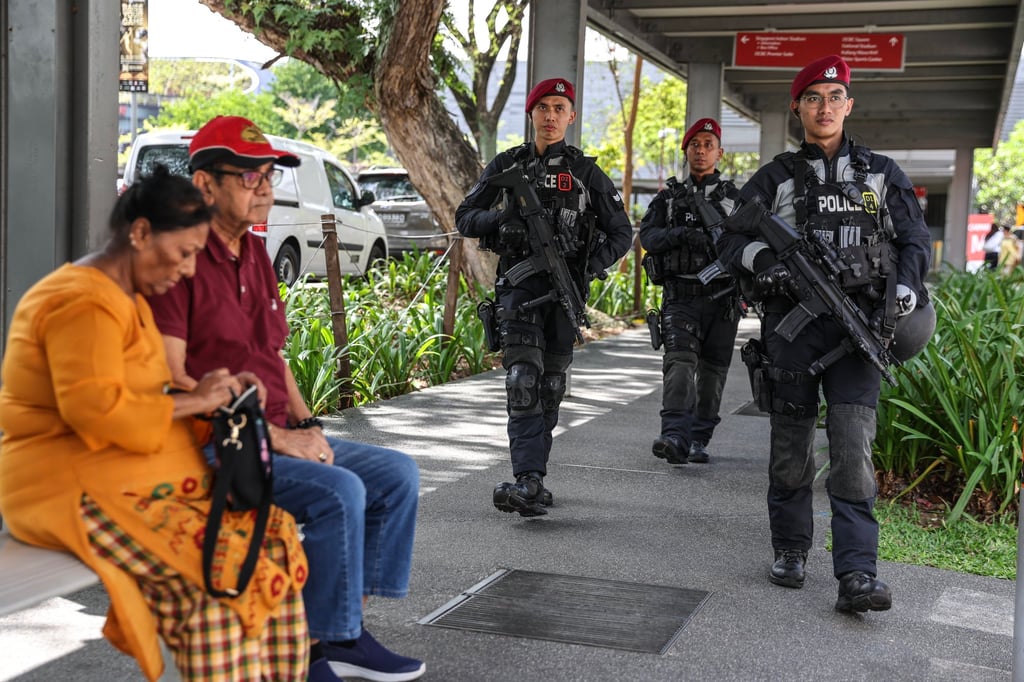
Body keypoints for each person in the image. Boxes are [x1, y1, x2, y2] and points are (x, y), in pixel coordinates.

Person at [0, 166, 310, 681]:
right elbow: (95, 412)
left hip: (127, 475)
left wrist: (212, 394)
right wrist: (198, 400)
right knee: (217, 585)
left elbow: (145, 394)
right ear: (140, 233)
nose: (190, 270)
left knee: (271, 540)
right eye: (185, 253)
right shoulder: (81, 300)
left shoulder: (125, 297)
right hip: (65, 485)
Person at [146, 116, 424, 682]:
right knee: (340, 492)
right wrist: (279, 438)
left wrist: (309, 424)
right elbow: (174, 382)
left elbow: (274, 359)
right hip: (212, 447)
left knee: (396, 474)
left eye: (269, 174)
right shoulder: (179, 261)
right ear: (204, 185)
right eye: (248, 177)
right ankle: (311, 651)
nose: (266, 187)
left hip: (272, 436)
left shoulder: (255, 254)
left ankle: (338, 630)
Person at [717, 55, 931, 612]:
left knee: (853, 450)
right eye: (813, 97)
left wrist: (904, 289)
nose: (825, 106)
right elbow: (730, 241)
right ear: (798, 108)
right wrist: (767, 261)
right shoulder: (777, 176)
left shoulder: (882, 173)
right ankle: (790, 548)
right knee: (790, 446)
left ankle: (857, 573)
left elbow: (914, 240)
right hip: (793, 330)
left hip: (862, 327)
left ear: (849, 105)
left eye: (835, 96)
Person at [455, 78, 633, 517]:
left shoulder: (586, 173)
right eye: (543, 108)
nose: (550, 116)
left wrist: (586, 266)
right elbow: (466, 216)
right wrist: (500, 223)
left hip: (563, 293)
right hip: (518, 288)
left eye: (559, 108)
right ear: (531, 114)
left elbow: (621, 233)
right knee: (522, 382)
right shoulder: (507, 165)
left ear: (571, 117)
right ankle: (526, 478)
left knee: (550, 389)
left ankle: (535, 476)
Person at [639, 117, 742, 465]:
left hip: (722, 300)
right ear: (686, 152)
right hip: (680, 296)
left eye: (708, 144)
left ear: (720, 153)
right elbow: (648, 239)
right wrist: (680, 236)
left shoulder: (735, 201)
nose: (701, 150)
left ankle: (698, 437)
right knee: (679, 364)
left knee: (713, 372)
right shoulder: (668, 199)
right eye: (695, 144)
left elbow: (752, 246)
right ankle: (674, 435)